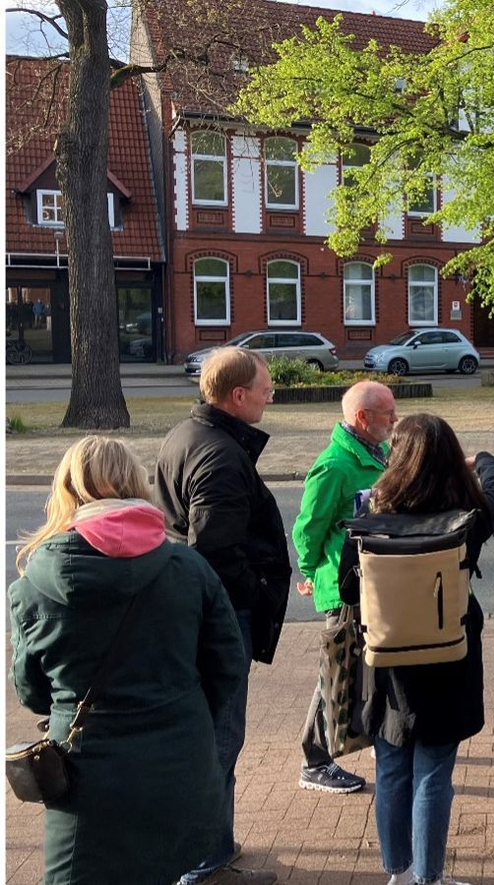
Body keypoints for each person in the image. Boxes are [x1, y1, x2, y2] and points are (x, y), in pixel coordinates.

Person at [9, 436, 246, 885]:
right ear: (137, 483)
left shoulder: (32, 586)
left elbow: (30, 690)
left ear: (65, 491)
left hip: (87, 771)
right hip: (181, 761)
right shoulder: (188, 568)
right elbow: (228, 665)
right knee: (171, 867)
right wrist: (186, 710)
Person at [339, 413, 494, 885]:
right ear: (451, 461)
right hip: (448, 655)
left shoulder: (368, 523)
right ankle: (429, 878)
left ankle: (398, 871)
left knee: (393, 763)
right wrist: (483, 459)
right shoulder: (467, 519)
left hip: (388, 660)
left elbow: (350, 594)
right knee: (435, 770)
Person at [154, 347, 291, 885]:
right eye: (265, 389)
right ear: (238, 396)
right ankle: (205, 857)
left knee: (209, 734)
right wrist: (255, 592)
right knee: (219, 736)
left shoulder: (187, 435)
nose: (271, 395)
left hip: (197, 611)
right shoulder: (218, 455)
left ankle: (208, 845)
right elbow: (214, 550)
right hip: (218, 617)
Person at [292, 381, 396, 794]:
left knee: (367, 667)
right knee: (337, 672)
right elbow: (308, 529)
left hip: (372, 581)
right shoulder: (334, 466)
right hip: (344, 587)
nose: (395, 418)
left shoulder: (378, 454)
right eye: (388, 413)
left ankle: (375, 735)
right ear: (362, 418)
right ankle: (314, 759)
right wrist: (312, 571)